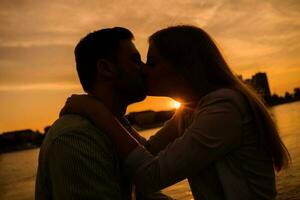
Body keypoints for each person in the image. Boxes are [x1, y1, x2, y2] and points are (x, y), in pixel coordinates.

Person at [60, 25, 291, 199]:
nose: (144, 70)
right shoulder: (190, 111)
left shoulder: (224, 108)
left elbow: (150, 176)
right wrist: (116, 119)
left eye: (151, 63)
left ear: (183, 67)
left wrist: (99, 113)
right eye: (140, 61)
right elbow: (146, 152)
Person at [35, 27, 171, 200]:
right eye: (135, 60)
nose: (144, 69)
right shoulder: (77, 138)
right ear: (106, 68)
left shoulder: (115, 125)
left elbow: (147, 179)